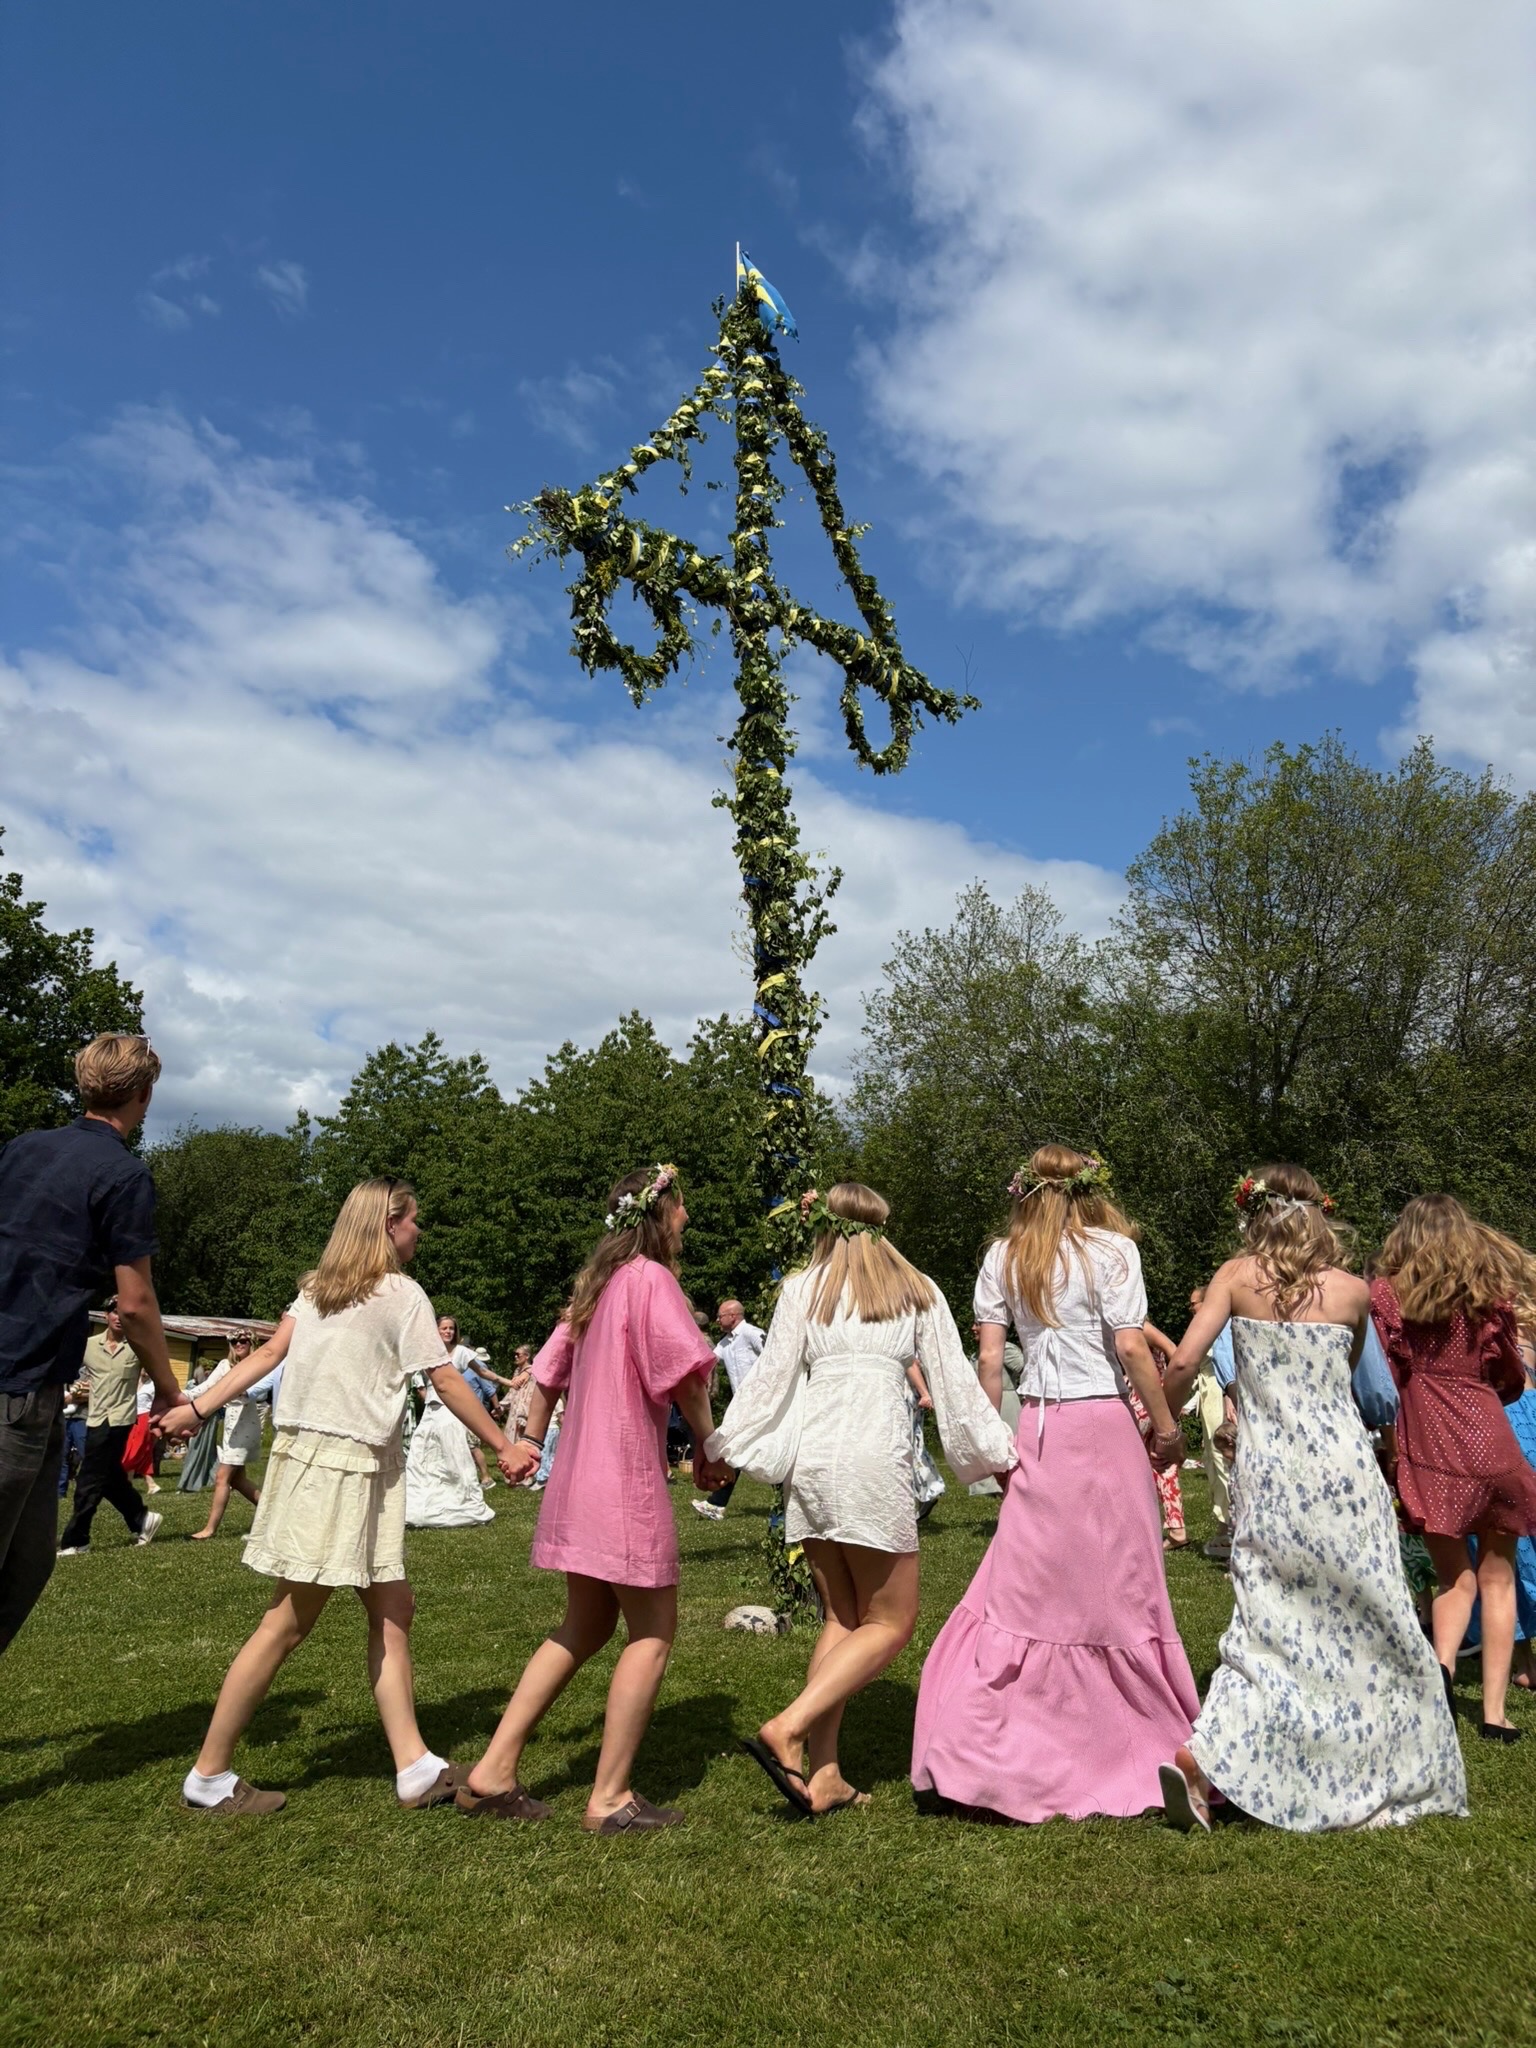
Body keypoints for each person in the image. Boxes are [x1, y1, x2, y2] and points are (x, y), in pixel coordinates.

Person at [158, 1177, 520, 1815]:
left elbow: (268, 1354)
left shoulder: (317, 1290)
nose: (420, 1230)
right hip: (342, 1471)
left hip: (329, 1466)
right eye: (414, 1220)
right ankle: (208, 1775)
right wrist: (504, 1444)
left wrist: (197, 1405)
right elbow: (442, 1378)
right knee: (285, 1623)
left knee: (393, 1606)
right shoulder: (402, 1294)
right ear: (388, 1224)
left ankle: (414, 1766)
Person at [1158, 1165, 1467, 1833]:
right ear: (1320, 1215)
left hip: (1273, 1477)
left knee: (1267, 1621)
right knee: (1374, 1617)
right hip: (1345, 1476)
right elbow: (1367, 1391)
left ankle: (1209, 1758)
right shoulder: (1353, 1291)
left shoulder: (1234, 1278)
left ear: (1252, 1215)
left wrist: (1162, 1428)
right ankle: (1380, 1756)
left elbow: (1182, 1363)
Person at [911, 1148, 1198, 1824]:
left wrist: (992, 1442)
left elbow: (989, 1360)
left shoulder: (1004, 1257)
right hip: (1105, 1427)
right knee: (1121, 1588)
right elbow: (1131, 1346)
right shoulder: (1113, 1250)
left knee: (1025, 1592)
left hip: (1040, 1429)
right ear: (1088, 1190)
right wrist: (1165, 1428)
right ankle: (1134, 1741)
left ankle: (985, 1749)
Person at [711, 1183, 1014, 1817]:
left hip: (814, 1461)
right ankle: (789, 1726)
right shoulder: (915, 1288)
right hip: (874, 1459)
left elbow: (771, 1377)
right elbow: (954, 1381)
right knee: (892, 1623)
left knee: (842, 1619)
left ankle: (825, 1776)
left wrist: (725, 1442)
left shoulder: (803, 1287)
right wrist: (998, 1455)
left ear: (826, 1225)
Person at [457, 1165, 722, 1832]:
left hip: (578, 1479)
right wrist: (710, 1445)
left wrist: (529, 1442)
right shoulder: (651, 1280)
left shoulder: (597, 1287)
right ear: (659, 1212)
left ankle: (493, 1770)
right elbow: (688, 1377)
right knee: (652, 1631)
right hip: (624, 1481)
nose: (687, 1218)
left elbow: (546, 1376)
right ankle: (608, 1797)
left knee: (585, 1624)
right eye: (681, 1206)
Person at [0, 1034, 181, 1647]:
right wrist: (168, 1389)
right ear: (144, 1094)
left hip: (40, 1388)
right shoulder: (123, 1175)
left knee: (29, 1563)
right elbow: (135, 1303)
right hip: (16, 1387)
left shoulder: (22, 1149)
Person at [1369, 1195, 1536, 1743]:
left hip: (1431, 1449)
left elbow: (1381, 1375)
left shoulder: (1388, 1296)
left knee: (1452, 1578)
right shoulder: (1484, 1294)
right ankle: (1495, 1715)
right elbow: (1509, 1373)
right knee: (1498, 1577)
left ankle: (1439, 1672)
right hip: (1492, 1442)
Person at [57, 1294, 174, 1557]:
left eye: (124, 1313)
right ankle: (142, 1518)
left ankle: (76, 1540)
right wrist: (70, 1392)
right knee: (108, 1477)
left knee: (88, 1480)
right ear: (106, 1315)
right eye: (113, 1311)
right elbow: (67, 1368)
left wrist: (163, 1413)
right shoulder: (89, 1345)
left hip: (120, 1420)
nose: (118, 1317)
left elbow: (161, 1376)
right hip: (95, 1418)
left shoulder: (138, 1346)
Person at [692, 1298, 765, 1522]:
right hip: (742, 1405)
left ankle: (717, 1504)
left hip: (760, 1403)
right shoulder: (726, 1343)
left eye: (720, 1316)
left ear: (733, 1316)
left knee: (735, 1448)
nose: (716, 1320)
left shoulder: (752, 1334)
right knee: (738, 1450)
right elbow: (708, 1360)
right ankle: (717, 1503)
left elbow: (773, 1358)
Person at [190, 1332, 265, 1540]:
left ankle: (209, 1529)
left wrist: (239, 1391)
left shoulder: (258, 1365)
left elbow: (260, 1392)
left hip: (246, 1424)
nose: (238, 1344)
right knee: (238, 1480)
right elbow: (207, 1387)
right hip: (230, 1426)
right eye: (234, 1341)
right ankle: (273, 1514)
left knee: (222, 1477)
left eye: (243, 1341)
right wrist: (183, 1396)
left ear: (251, 1343)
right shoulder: (225, 1365)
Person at [406, 1377, 497, 1530]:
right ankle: (426, 1502)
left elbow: (484, 1372)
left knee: (454, 1455)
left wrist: (509, 1383)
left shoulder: (459, 1361)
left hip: (449, 1407)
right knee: (426, 1455)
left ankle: (459, 1501)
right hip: (432, 1409)